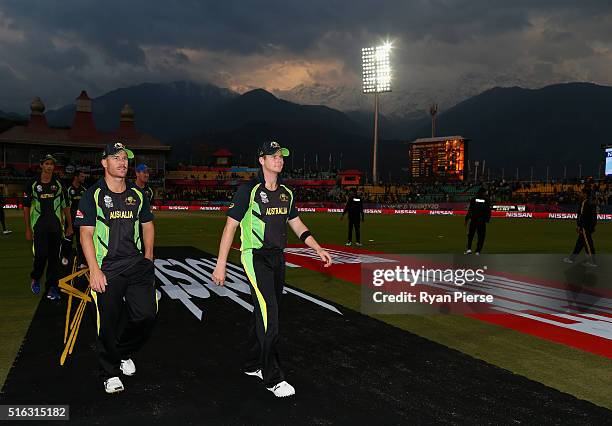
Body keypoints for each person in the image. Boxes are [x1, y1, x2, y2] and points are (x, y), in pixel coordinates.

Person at [211, 140, 332, 398]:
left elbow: (297, 224)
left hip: (278, 258)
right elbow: (230, 227)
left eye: (281, 156)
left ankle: (252, 363)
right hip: (255, 257)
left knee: (264, 312)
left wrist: (317, 247)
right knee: (271, 317)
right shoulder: (249, 191)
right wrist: (221, 265)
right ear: (262, 160)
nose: (279, 159)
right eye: (273, 156)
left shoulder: (286, 193)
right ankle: (272, 377)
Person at [76, 142, 157, 394]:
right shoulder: (92, 196)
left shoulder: (138, 194)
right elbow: (85, 235)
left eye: (125, 158)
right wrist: (94, 270)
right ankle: (108, 372)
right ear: (104, 163)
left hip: (135, 264)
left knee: (146, 315)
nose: (122, 162)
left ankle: (122, 352)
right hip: (106, 268)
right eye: (116, 158)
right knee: (107, 323)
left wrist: (149, 257)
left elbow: (147, 225)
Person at [23, 154, 73, 300]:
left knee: (54, 259)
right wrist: (27, 229)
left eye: (51, 164)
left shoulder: (58, 184)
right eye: (47, 163)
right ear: (41, 166)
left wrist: (70, 225)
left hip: (56, 227)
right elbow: (26, 207)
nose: (49, 166)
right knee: (40, 255)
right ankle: (36, 277)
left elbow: (66, 206)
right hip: (39, 226)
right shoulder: (32, 184)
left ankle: (52, 287)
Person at [564, 187, 598, 267]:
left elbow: (583, 217)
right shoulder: (587, 202)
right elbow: (591, 217)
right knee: (580, 243)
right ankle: (572, 258)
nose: (579, 194)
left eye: (581, 192)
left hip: (585, 227)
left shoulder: (586, 203)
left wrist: (581, 226)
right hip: (586, 227)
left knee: (588, 244)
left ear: (585, 194)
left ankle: (593, 262)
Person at [67, 170, 87, 268]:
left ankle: (81, 262)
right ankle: (65, 258)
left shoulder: (84, 190)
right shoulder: (69, 189)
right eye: (82, 176)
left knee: (81, 242)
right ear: (76, 177)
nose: (84, 178)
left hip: (80, 221)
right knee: (68, 241)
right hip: (70, 221)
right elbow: (66, 207)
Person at [464, 187, 491, 255]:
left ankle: (469, 249)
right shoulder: (486, 200)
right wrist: (487, 219)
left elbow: (470, 210)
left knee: (470, 235)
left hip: (474, 220)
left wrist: (466, 219)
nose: (486, 193)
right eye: (485, 192)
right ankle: (478, 251)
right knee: (481, 236)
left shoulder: (474, 199)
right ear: (483, 192)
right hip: (481, 221)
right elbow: (488, 211)